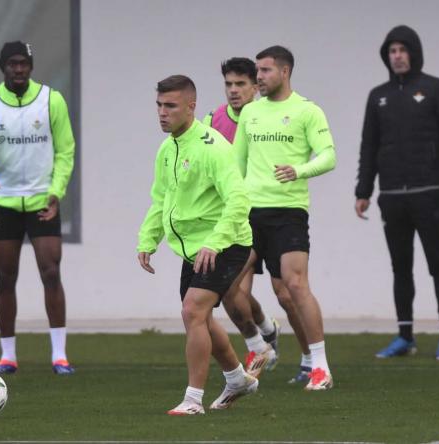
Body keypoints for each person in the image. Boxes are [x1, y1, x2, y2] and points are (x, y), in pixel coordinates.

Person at [137, 75, 259, 415]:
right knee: (199, 318)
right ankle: (237, 378)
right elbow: (161, 198)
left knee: (193, 311)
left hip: (226, 243)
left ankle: (193, 400)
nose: (162, 113)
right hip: (194, 249)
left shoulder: (212, 147)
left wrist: (215, 243)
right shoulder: (167, 149)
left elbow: (239, 200)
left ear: (191, 107)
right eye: (159, 105)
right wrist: (148, 238)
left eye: (171, 106)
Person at [355, 25, 439, 361]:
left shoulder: (437, 89)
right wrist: (363, 191)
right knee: (400, 268)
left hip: (428, 193)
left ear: (414, 53)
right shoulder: (377, 96)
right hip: (392, 197)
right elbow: (368, 146)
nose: (398, 56)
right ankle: (405, 336)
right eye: (392, 51)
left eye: (403, 50)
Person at [0, 41, 76, 375]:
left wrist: (56, 191)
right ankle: (7, 356)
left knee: (51, 271)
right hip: (4, 200)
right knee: (4, 276)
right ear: (3, 67)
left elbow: (65, 150)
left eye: (24, 63)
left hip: (43, 198)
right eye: (13, 63)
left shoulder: (51, 100)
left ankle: (59, 355)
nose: (19, 69)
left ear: (31, 66)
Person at [233, 45, 337, 391]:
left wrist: (298, 170)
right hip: (249, 214)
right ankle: (260, 343)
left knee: (293, 287)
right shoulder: (250, 113)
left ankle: (319, 366)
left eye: (265, 70)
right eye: (257, 71)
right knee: (229, 286)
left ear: (284, 72)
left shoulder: (307, 111)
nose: (259, 77)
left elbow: (328, 156)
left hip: (288, 212)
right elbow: (237, 165)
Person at [203, 57, 312, 384]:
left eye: (241, 84)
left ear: (255, 86)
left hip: (274, 213)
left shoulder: (267, 116)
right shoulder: (212, 120)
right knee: (228, 287)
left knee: (286, 294)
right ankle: (260, 340)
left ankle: (310, 359)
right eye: (229, 84)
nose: (234, 90)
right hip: (238, 218)